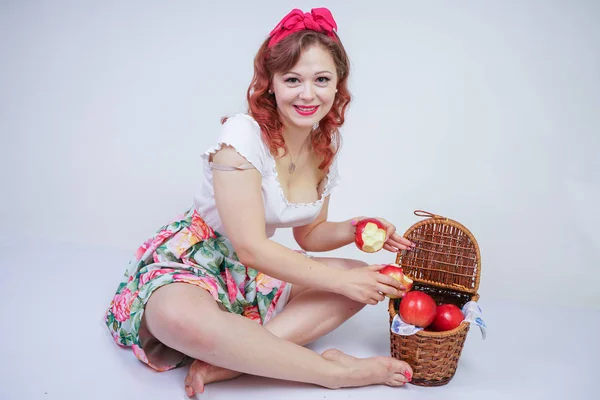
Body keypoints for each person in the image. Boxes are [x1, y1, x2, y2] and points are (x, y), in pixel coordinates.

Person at [105, 7, 416, 397]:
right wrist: (340, 280)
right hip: (196, 262)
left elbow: (310, 235)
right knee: (174, 317)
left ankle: (230, 360)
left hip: (253, 275)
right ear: (271, 83)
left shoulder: (325, 145)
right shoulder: (242, 135)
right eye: (292, 80)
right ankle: (333, 372)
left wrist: (354, 229)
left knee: (369, 278)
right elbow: (250, 247)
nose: (308, 94)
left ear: (339, 84)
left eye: (321, 79)